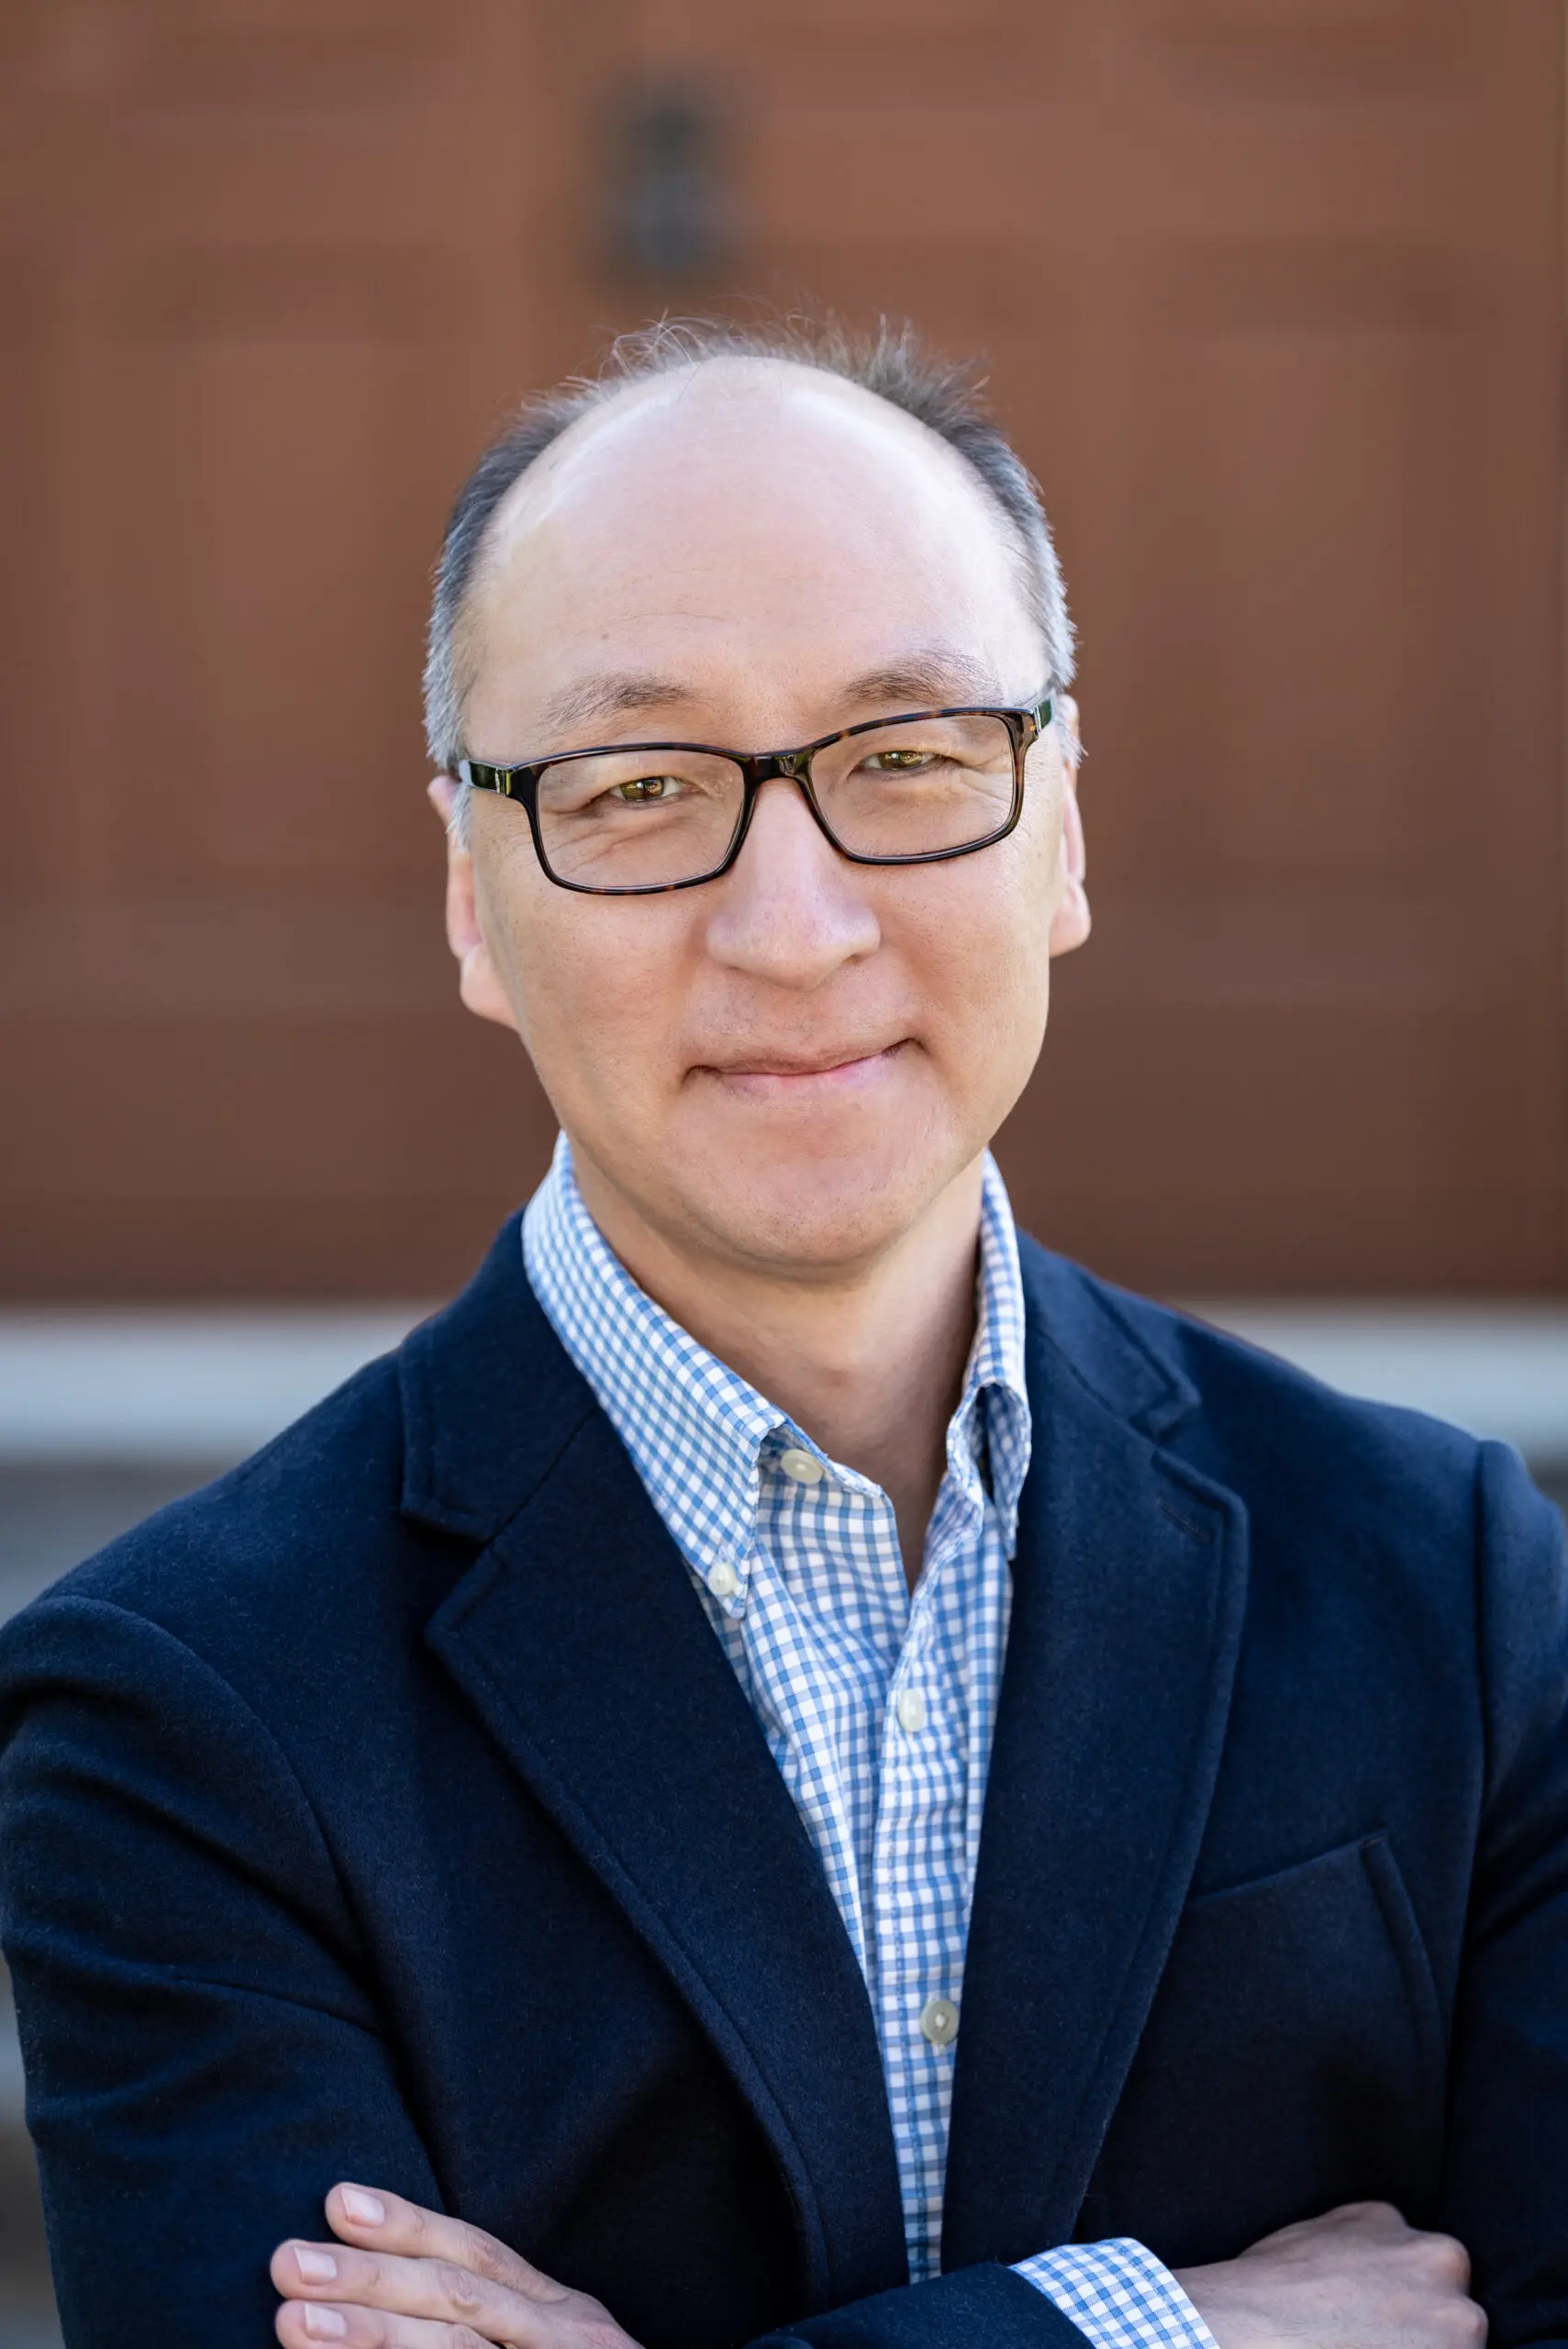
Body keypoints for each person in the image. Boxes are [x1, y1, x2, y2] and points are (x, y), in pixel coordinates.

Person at [0, 317, 1561, 2349]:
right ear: (472, 892)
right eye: (637, 787)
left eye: (906, 757)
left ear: (1061, 824)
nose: (793, 923)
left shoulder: (1449, 1585)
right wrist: (1139, 2327)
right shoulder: (177, 1715)